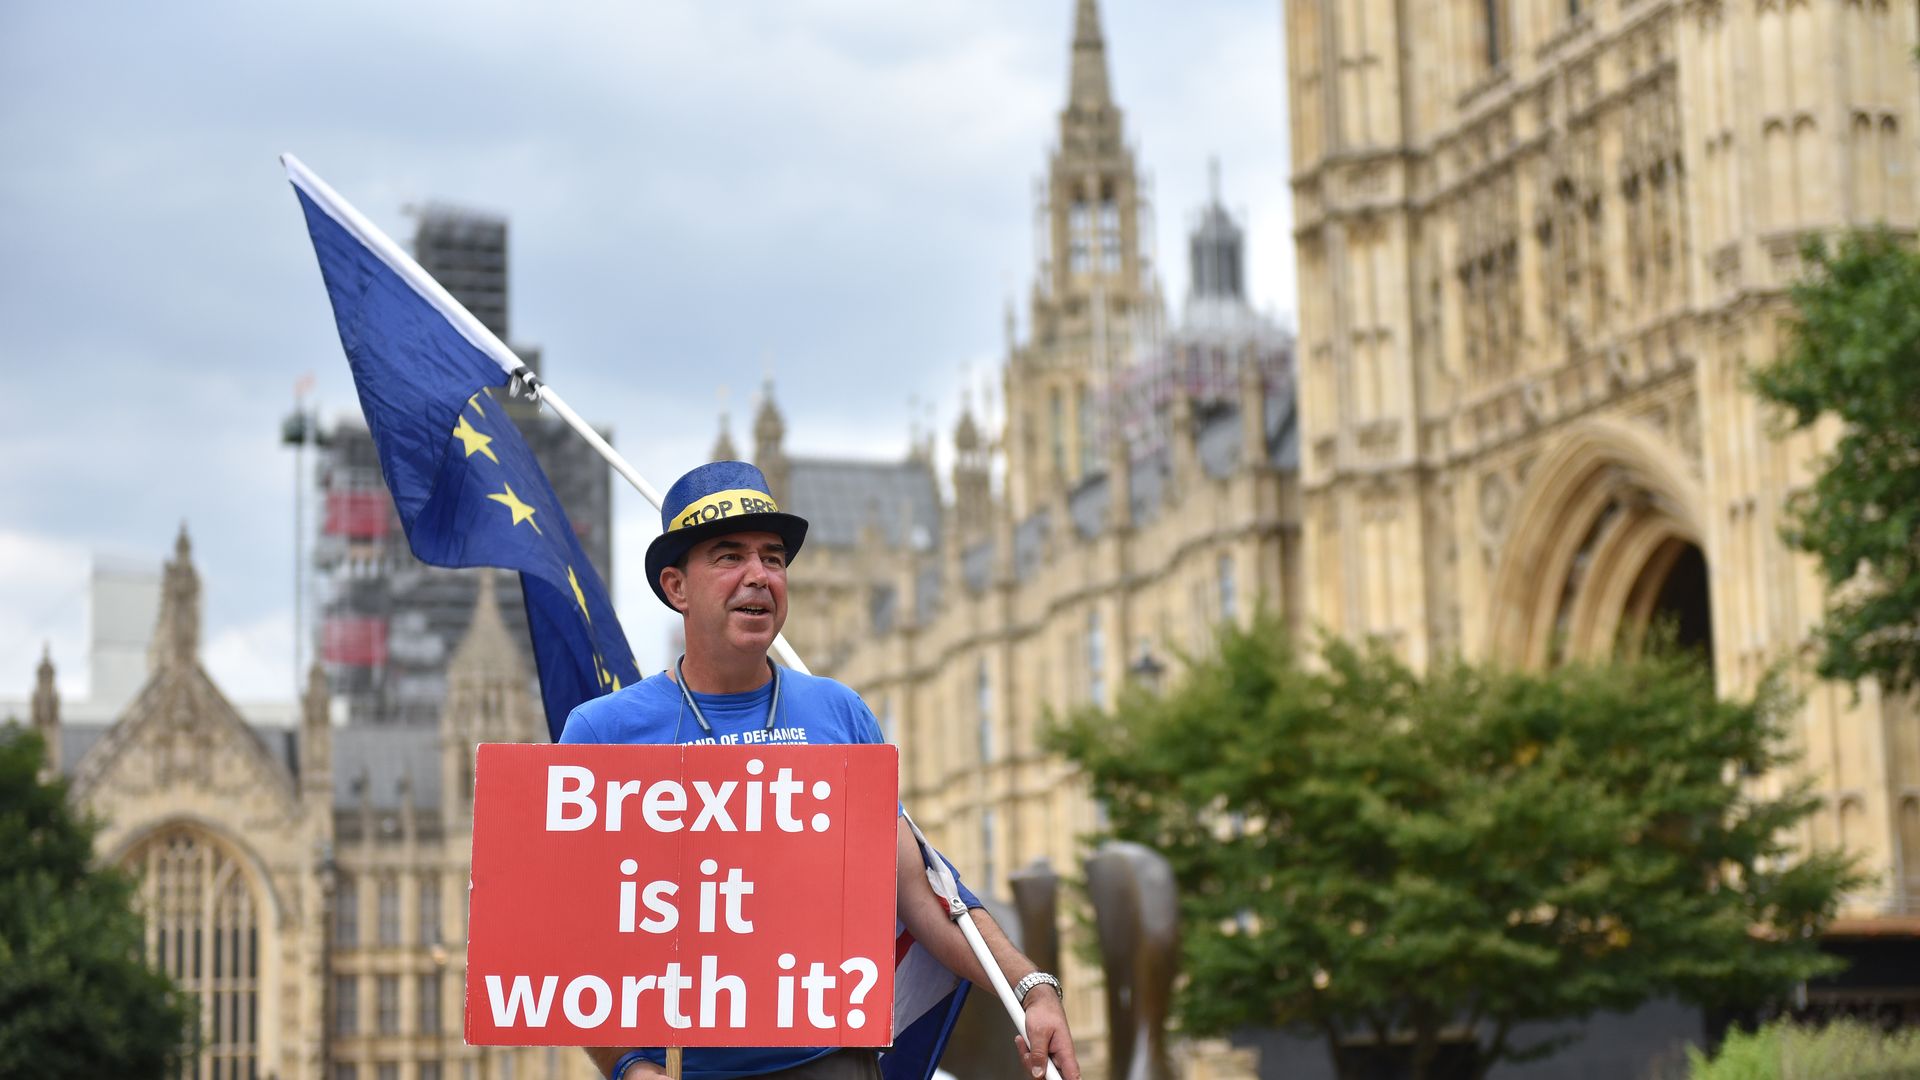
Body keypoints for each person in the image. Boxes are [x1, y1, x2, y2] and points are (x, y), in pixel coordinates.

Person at [561, 461, 1080, 1080]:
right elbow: (570, 938)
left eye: (773, 558)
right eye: (729, 557)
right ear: (676, 587)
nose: (758, 576)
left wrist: (1030, 986)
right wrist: (628, 1068)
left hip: (833, 1064)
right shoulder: (604, 732)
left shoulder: (839, 713)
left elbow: (916, 890)